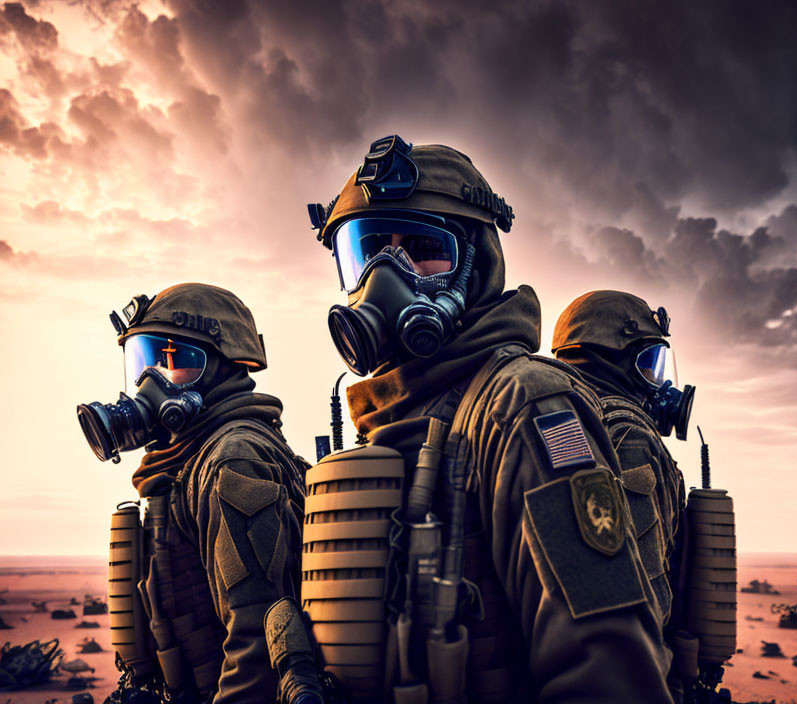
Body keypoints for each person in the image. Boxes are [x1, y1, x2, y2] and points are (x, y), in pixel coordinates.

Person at [304, 135, 673, 703]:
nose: (385, 275)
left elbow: (606, 672)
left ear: (479, 264)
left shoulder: (526, 406)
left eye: (425, 248)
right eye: (368, 250)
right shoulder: (394, 419)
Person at [77, 283, 321, 704]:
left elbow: (257, 646)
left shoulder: (233, 459)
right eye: (144, 361)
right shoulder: (192, 462)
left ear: (220, 369)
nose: (149, 380)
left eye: (173, 360)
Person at [551, 290, 694, 700]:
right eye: (650, 364)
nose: (661, 382)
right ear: (612, 360)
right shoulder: (629, 435)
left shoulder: (558, 422)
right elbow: (644, 590)